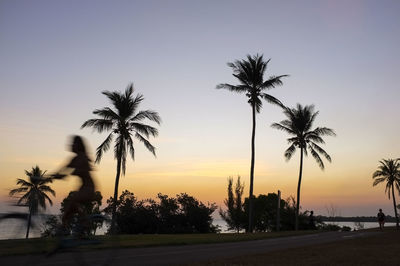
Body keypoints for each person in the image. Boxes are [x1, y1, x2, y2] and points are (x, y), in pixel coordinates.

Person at [52, 136, 96, 232]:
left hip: (89, 188)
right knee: (67, 213)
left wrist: (65, 174)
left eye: (73, 143)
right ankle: (69, 234)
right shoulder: (74, 159)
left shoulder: (82, 157)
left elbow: (76, 171)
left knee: (73, 200)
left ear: (78, 145)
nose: (71, 145)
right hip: (83, 188)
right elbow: (62, 170)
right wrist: (51, 176)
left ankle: (86, 222)